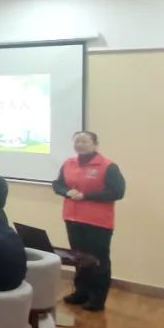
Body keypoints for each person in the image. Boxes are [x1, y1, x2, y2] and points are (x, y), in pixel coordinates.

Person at [52, 131, 126, 312]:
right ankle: (81, 292)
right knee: (79, 258)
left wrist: (86, 196)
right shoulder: (69, 163)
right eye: (76, 141)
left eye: (84, 141)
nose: (79, 144)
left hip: (97, 222)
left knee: (98, 260)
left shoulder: (108, 166)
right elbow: (57, 184)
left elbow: (117, 192)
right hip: (72, 218)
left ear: (94, 144)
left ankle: (97, 298)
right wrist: (65, 192)